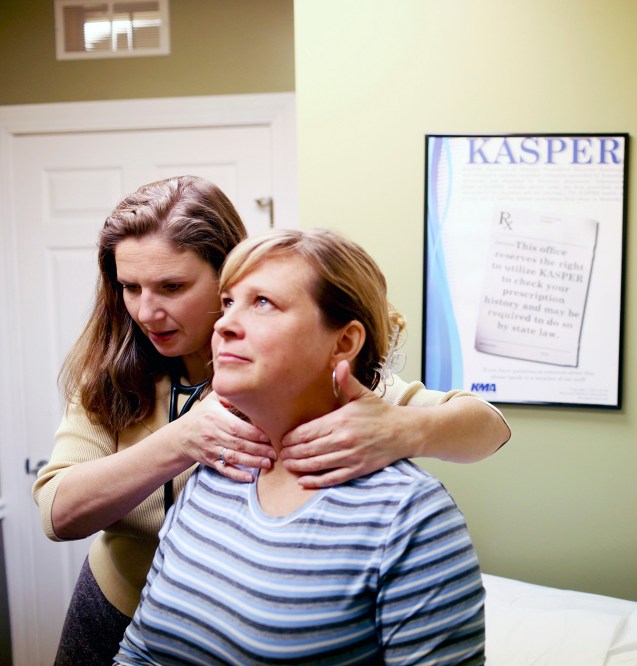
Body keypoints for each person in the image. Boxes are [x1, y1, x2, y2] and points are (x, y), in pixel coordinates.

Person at [32, 176, 507, 665]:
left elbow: (488, 425)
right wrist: (180, 440)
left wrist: (403, 429)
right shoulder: (115, 376)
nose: (147, 312)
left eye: (173, 287)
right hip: (127, 602)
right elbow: (59, 513)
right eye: (130, 288)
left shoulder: (323, 383)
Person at [115, 228, 485, 665]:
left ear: (343, 343)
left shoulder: (411, 517)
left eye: (263, 303)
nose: (223, 324)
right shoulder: (214, 473)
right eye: (228, 302)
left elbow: (486, 423)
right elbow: (140, 652)